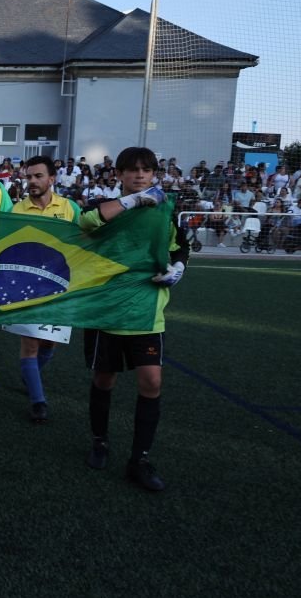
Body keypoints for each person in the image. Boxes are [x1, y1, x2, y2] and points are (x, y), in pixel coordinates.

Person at [81, 146, 188, 492]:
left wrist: (178, 268)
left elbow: (179, 247)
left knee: (152, 382)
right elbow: (87, 220)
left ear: (155, 174)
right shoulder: (106, 206)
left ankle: (139, 460)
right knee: (104, 379)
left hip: (147, 309)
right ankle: (100, 441)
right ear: (119, 175)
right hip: (106, 309)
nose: (140, 175)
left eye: (146, 170)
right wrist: (134, 201)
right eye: (132, 169)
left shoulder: (165, 210)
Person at [8, 156, 80, 423]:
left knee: (49, 342)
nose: (32, 181)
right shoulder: (17, 211)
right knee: (30, 343)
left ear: (52, 179)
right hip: (27, 285)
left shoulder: (70, 208)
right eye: (29, 177)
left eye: (38, 176)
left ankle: (30, 375)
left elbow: (85, 240)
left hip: (60, 285)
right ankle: (38, 402)